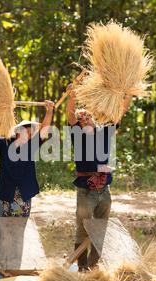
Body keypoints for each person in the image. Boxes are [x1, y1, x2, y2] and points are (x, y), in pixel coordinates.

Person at [66, 84, 132, 271]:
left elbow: (121, 111)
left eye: (87, 116)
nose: (84, 119)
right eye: (81, 118)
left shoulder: (105, 132)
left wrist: (128, 93)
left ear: (93, 119)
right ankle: (82, 266)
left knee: (100, 230)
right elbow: (70, 116)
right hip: (86, 190)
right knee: (83, 228)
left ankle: (94, 268)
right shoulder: (77, 135)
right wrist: (71, 97)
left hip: (104, 190)